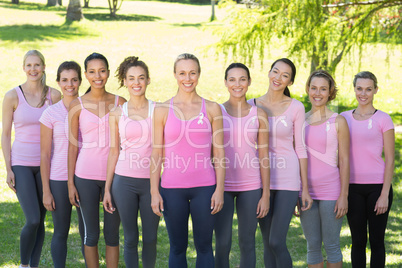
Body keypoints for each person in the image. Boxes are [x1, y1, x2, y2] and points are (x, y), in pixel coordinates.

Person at [150, 53, 225, 268]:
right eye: (182, 73)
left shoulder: (212, 109)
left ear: (199, 75)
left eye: (192, 73)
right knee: (177, 247)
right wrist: (154, 192)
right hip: (172, 188)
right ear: (175, 75)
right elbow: (156, 154)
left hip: (205, 188)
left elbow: (219, 154)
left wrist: (219, 190)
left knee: (204, 247)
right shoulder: (162, 109)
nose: (187, 78)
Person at [248, 58, 313, 268]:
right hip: (259, 180)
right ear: (269, 73)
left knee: (277, 241)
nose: (278, 78)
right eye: (275, 72)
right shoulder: (252, 105)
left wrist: (304, 189)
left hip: (287, 180)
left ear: (290, 82)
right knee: (267, 243)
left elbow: (300, 148)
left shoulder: (296, 107)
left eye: (285, 75)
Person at [1, 50, 61, 268]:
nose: (33, 69)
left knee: (41, 221)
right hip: (21, 164)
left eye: (37, 65)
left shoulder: (53, 96)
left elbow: (60, 131)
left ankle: (33, 266)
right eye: (29, 65)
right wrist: (8, 169)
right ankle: (24, 265)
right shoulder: (12, 96)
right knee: (33, 218)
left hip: (46, 164)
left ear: (44, 67)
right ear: (23, 68)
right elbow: (6, 134)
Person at [68, 52, 126, 268]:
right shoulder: (77, 105)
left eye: (102, 70)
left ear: (108, 73)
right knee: (90, 235)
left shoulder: (121, 102)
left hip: (116, 177)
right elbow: (72, 147)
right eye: (92, 72)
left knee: (112, 234)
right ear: (85, 75)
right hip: (85, 177)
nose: (98, 75)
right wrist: (70, 182)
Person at [103, 56, 160, 268]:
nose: (137, 82)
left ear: (148, 80)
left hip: (151, 183)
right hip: (123, 182)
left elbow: (161, 149)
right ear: (125, 81)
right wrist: (107, 189)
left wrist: (156, 189)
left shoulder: (159, 110)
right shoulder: (117, 113)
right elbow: (113, 151)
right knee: (130, 238)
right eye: (132, 78)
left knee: (151, 238)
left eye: (141, 78)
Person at [214, 63, 270, 268]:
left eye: (242, 79)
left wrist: (265, 194)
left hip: (251, 186)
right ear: (226, 83)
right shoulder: (216, 111)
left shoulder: (259, 114)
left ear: (249, 82)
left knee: (247, 243)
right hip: (222, 187)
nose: (237, 84)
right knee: (222, 243)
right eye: (232, 79)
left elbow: (264, 155)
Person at [341, 71, 394, 268]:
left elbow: (390, 160)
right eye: (359, 88)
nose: (363, 93)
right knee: (357, 242)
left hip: (378, 188)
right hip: (352, 188)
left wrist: (384, 194)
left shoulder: (384, 119)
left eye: (368, 89)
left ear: (375, 90)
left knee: (377, 242)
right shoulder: (343, 118)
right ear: (354, 89)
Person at [300, 70, 350, 268]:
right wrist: (298, 191)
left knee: (331, 245)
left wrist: (344, 195)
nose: (317, 93)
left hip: (331, 191)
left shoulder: (338, 122)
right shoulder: (300, 121)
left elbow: (345, 160)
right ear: (308, 89)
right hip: (306, 192)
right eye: (313, 88)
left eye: (323, 89)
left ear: (330, 92)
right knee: (312, 246)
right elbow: (297, 157)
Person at [39, 61, 86, 268]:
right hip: (58, 179)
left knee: (88, 233)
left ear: (80, 81)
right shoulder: (50, 113)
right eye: (65, 80)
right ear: (58, 82)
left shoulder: (89, 109)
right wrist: (46, 191)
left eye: (74, 79)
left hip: (86, 177)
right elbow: (44, 154)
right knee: (60, 231)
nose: (70, 84)